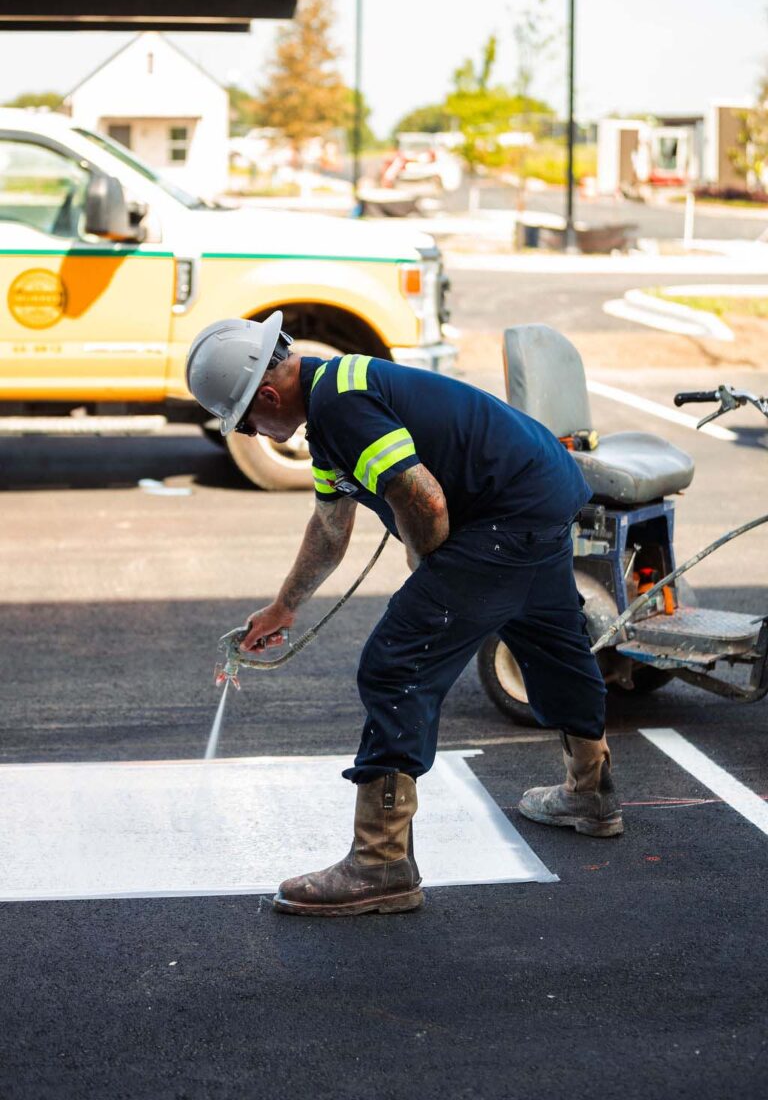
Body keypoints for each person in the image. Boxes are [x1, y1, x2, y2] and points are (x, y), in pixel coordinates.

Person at [185, 313, 623, 918]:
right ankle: (591, 791)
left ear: (267, 396)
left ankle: (381, 861)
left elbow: (426, 501)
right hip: (541, 493)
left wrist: (428, 565)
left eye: (245, 422)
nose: (253, 433)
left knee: (395, 666)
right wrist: (284, 607)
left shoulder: (340, 410)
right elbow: (330, 527)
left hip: (504, 517)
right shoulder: (332, 396)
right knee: (550, 642)